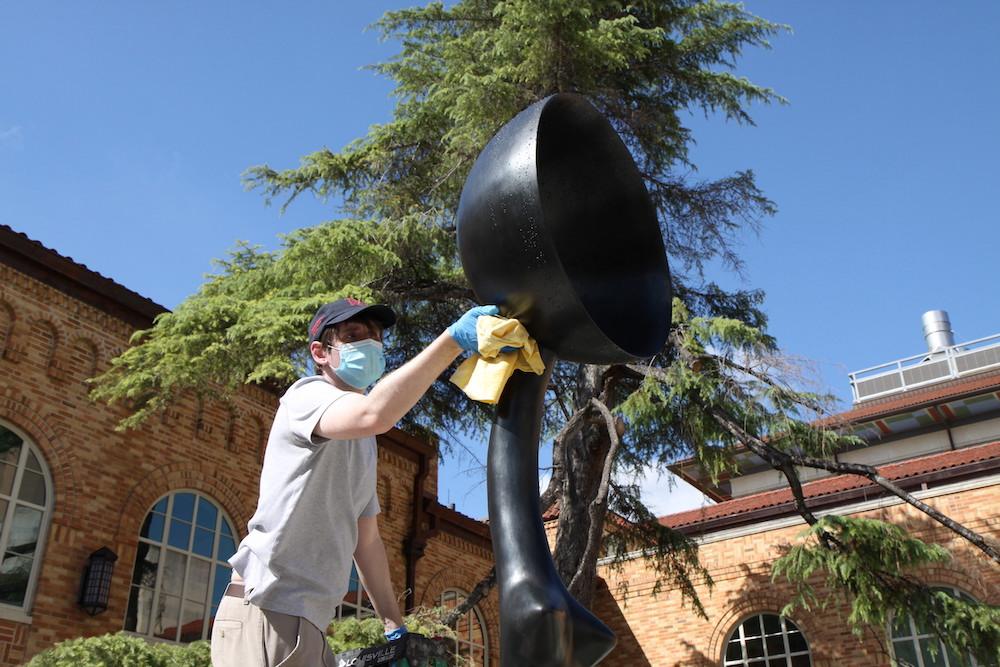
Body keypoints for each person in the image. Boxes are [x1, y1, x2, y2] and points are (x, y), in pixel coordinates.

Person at [210, 297, 504, 666]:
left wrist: (394, 627)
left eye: (377, 336)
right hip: (269, 609)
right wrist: (453, 340)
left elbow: (367, 542)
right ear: (320, 352)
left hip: (307, 622)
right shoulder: (307, 396)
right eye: (354, 335)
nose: (372, 343)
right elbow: (374, 413)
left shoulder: (363, 442)